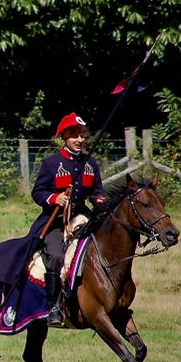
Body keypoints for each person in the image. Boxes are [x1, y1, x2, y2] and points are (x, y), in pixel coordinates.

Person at [30, 113, 106, 326]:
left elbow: (96, 192)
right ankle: (53, 306)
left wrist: (101, 200)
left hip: (83, 217)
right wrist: (55, 198)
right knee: (54, 255)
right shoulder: (51, 163)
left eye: (82, 135)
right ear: (64, 136)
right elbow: (38, 192)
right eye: (74, 135)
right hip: (54, 220)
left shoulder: (90, 163)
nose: (80, 140)